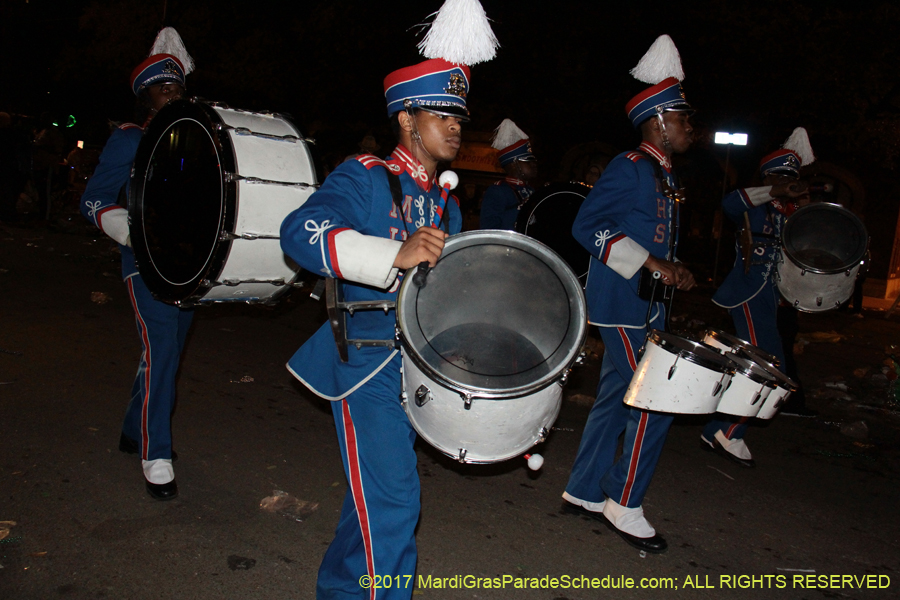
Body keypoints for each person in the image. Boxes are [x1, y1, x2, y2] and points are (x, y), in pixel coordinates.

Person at [281, 57, 470, 597]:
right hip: (366, 364)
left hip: (418, 370)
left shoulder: (447, 203)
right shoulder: (364, 176)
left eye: (460, 116)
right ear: (407, 119)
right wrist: (393, 254)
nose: (456, 126)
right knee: (395, 501)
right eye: (442, 114)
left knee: (371, 497)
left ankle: (341, 589)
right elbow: (299, 231)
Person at [561, 35, 696, 554]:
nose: (689, 127)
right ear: (658, 121)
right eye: (682, 118)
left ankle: (583, 490)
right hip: (620, 305)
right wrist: (652, 263)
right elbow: (587, 225)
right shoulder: (631, 166)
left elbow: (652, 238)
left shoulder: (662, 175)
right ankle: (624, 500)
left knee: (618, 396)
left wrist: (672, 269)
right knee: (657, 398)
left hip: (645, 306)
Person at [79, 28, 195, 501]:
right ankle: (155, 453)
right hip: (144, 264)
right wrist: (135, 235)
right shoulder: (130, 139)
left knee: (166, 352)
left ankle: (133, 428)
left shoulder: (196, 140)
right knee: (162, 350)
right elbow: (93, 200)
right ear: (145, 98)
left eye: (176, 86)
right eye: (162, 89)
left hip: (190, 266)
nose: (172, 94)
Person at [706, 128, 816, 468]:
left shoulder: (787, 212)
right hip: (747, 291)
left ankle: (718, 429)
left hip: (770, 295)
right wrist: (777, 190)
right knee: (765, 364)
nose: (788, 184)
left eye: (791, 178)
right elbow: (730, 202)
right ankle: (728, 432)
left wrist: (804, 207)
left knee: (762, 364)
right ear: (769, 177)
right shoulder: (756, 203)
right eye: (781, 177)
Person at [478, 118, 537, 229]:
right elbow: (489, 230)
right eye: (528, 160)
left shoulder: (531, 190)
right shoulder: (498, 191)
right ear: (514, 164)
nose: (533, 164)